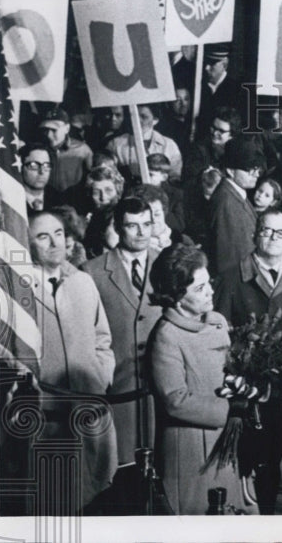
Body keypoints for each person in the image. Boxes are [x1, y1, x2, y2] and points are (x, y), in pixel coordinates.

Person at [214, 209, 282, 514]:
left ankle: (265, 507)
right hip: (244, 388)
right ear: (255, 234)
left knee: (275, 450)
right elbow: (219, 334)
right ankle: (257, 511)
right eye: (267, 231)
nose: (274, 238)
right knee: (251, 454)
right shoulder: (231, 277)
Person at [12, 211, 118, 512]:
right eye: (43, 236)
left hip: (90, 412)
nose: (54, 242)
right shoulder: (18, 292)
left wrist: (102, 375)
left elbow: (102, 339)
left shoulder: (83, 282)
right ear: (28, 243)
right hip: (47, 420)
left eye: (58, 233)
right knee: (56, 506)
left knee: (98, 502)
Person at [148, 243, 257, 515]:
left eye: (209, 283)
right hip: (190, 450)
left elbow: (231, 370)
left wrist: (242, 385)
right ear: (175, 296)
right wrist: (228, 409)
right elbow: (175, 400)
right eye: (199, 288)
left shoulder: (217, 321)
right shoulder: (166, 335)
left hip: (227, 442)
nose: (210, 292)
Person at [82, 197, 163, 514]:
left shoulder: (167, 265)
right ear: (118, 226)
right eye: (132, 225)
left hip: (160, 396)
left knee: (159, 484)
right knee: (120, 485)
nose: (141, 233)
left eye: (147, 224)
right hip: (118, 397)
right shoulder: (92, 273)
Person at [208, 138, 265, 275]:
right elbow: (231, 259)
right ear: (230, 171)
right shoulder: (227, 202)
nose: (256, 174)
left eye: (257, 168)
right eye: (249, 169)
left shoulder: (235, 193)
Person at [106, 103, 184, 183]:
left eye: (143, 117)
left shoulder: (169, 145)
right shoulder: (116, 144)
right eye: (134, 116)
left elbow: (175, 178)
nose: (138, 120)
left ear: (155, 120)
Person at [39, 106, 94, 194]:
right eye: (45, 130)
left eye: (54, 130)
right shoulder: (37, 150)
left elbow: (92, 179)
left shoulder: (82, 150)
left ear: (67, 128)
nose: (48, 135)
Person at [196, 44, 244, 141]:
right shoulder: (198, 87)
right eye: (205, 63)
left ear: (225, 64)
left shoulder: (238, 90)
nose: (206, 68)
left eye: (212, 64)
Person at [145, 153, 186, 235]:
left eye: (150, 175)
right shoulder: (135, 191)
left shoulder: (176, 195)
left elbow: (179, 225)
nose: (146, 179)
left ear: (164, 177)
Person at [19, 142, 63, 212]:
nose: (42, 172)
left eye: (46, 166)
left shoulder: (59, 199)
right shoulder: (12, 200)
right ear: (21, 167)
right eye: (34, 165)